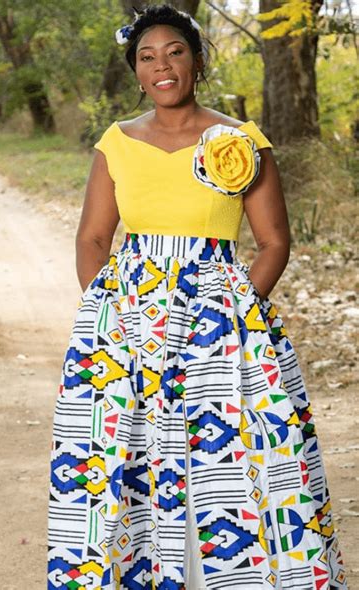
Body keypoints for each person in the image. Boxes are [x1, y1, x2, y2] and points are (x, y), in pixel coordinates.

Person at [46, 4, 348, 589]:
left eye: (175, 52)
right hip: (127, 326)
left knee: (231, 458)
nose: (162, 66)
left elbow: (273, 243)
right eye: (146, 56)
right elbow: (92, 237)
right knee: (126, 460)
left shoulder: (239, 142)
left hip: (223, 322)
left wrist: (230, 318)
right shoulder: (117, 143)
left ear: (198, 60)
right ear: (135, 71)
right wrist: (108, 316)